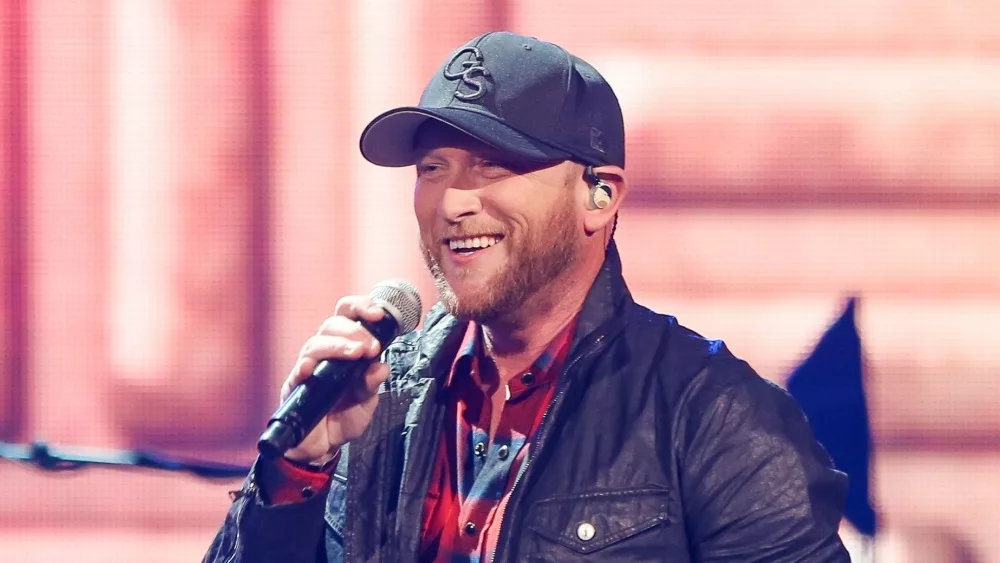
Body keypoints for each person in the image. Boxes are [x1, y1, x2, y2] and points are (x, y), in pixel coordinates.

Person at [203, 31, 851, 563]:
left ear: (599, 194)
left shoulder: (712, 416)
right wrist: (296, 471)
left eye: (493, 164)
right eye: (434, 168)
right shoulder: (373, 398)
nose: (454, 201)